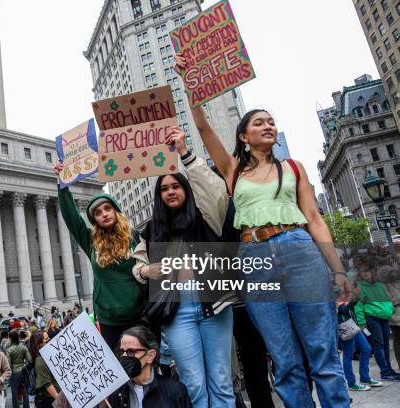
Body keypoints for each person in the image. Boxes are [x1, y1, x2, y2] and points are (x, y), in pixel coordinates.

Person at [174, 51, 352, 408]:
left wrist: (337, 270)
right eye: (259, 122)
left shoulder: (294, 167)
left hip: (299, 248)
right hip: (254, 257)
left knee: (322, 353)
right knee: (284, 360)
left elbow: (315, 220)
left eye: (272, 121)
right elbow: (204, 129)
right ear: (243, 136)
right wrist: (189, 81)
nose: (269, 125)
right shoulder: (232, 171)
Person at [132, 128, 236, 407]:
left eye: (175, 186)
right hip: (177, 311)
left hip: (213, 303)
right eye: (164, 189)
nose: (170, 192)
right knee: (193, 383)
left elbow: (214, 191)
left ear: (186, 190)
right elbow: (138, 266)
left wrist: (185, 152)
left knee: (222, 380)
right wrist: (145, 271)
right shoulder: (152, 230)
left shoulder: (207, 217)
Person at [54, 161, 146, 349]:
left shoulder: (135, 237)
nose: (103, 214)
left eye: (107, 208)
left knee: (142, 369)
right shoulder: (90, 241)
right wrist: (62, 186)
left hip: (139, 316)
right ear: (94, 219)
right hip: (108, 321)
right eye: (97, 212)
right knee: (118, 374)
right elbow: (72, 218)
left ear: (116, 210)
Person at [104, 326, 190, 407]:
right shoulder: (117, 393)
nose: (124, 356)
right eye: (121, 351)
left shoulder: (175, 391)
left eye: (131, 351)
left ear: (150, 356)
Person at [355, 262, 399, 381]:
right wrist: (362, 322)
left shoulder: (380, 285)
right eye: (362, 271)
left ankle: (389, 370)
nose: (365, 274)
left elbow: (389, 300)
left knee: (385, 344)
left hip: (384, 317)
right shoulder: (360, 286)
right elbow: (358, 306)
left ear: (373, 272)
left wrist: (390, 310)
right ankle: (385, 372)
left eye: (367, 271)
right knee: (379, 345)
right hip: (371, 318)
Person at [338, 301, 381, 391]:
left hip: (352, 324)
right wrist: (352, 301)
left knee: (367, 349)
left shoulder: (344, 291)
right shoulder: (332, 291)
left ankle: (365, 378)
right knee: (348, 355)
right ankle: (351, 383)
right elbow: (340, 310)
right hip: (345, 325)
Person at [28, 331, 58, 408]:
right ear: (39, 344)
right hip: (50, 401)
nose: (50, 339)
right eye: (46, 339)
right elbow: (47, 384)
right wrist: (60, 402)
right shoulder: (40, 361)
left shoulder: (47, 356)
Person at [5, 330, 31, 408]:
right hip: (23, 371)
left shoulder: (8, 350)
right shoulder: (23, 347)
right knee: (25, 391)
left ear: (10, 338)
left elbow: (8, 365)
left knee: (14, 392)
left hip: (14, 373)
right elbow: (29, 359)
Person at [386, 268, 400, 369]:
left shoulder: (397, 283)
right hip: (395, 317)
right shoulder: (384, 286)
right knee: (397, 340)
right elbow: (390, 301)